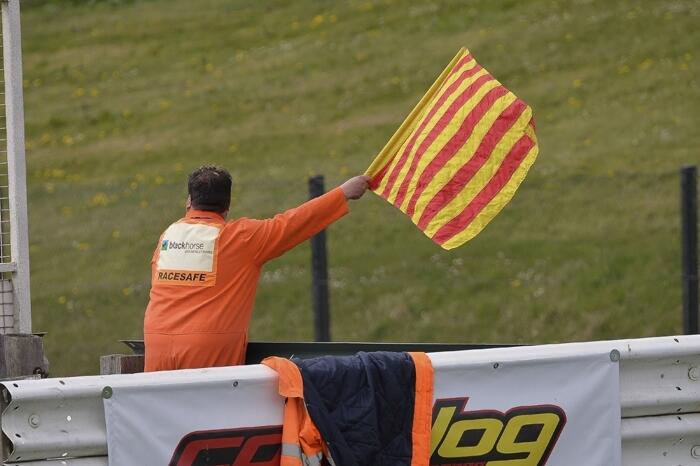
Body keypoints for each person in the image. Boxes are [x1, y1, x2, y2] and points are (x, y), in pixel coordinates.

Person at [143, 165, 369, 371]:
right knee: (210, 414)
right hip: (207, 349)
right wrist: (343, 193)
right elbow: (293, 223)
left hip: (156, 344)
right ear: (227, 206)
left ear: (189, 201)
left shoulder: (168, 236)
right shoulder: (241, 238)